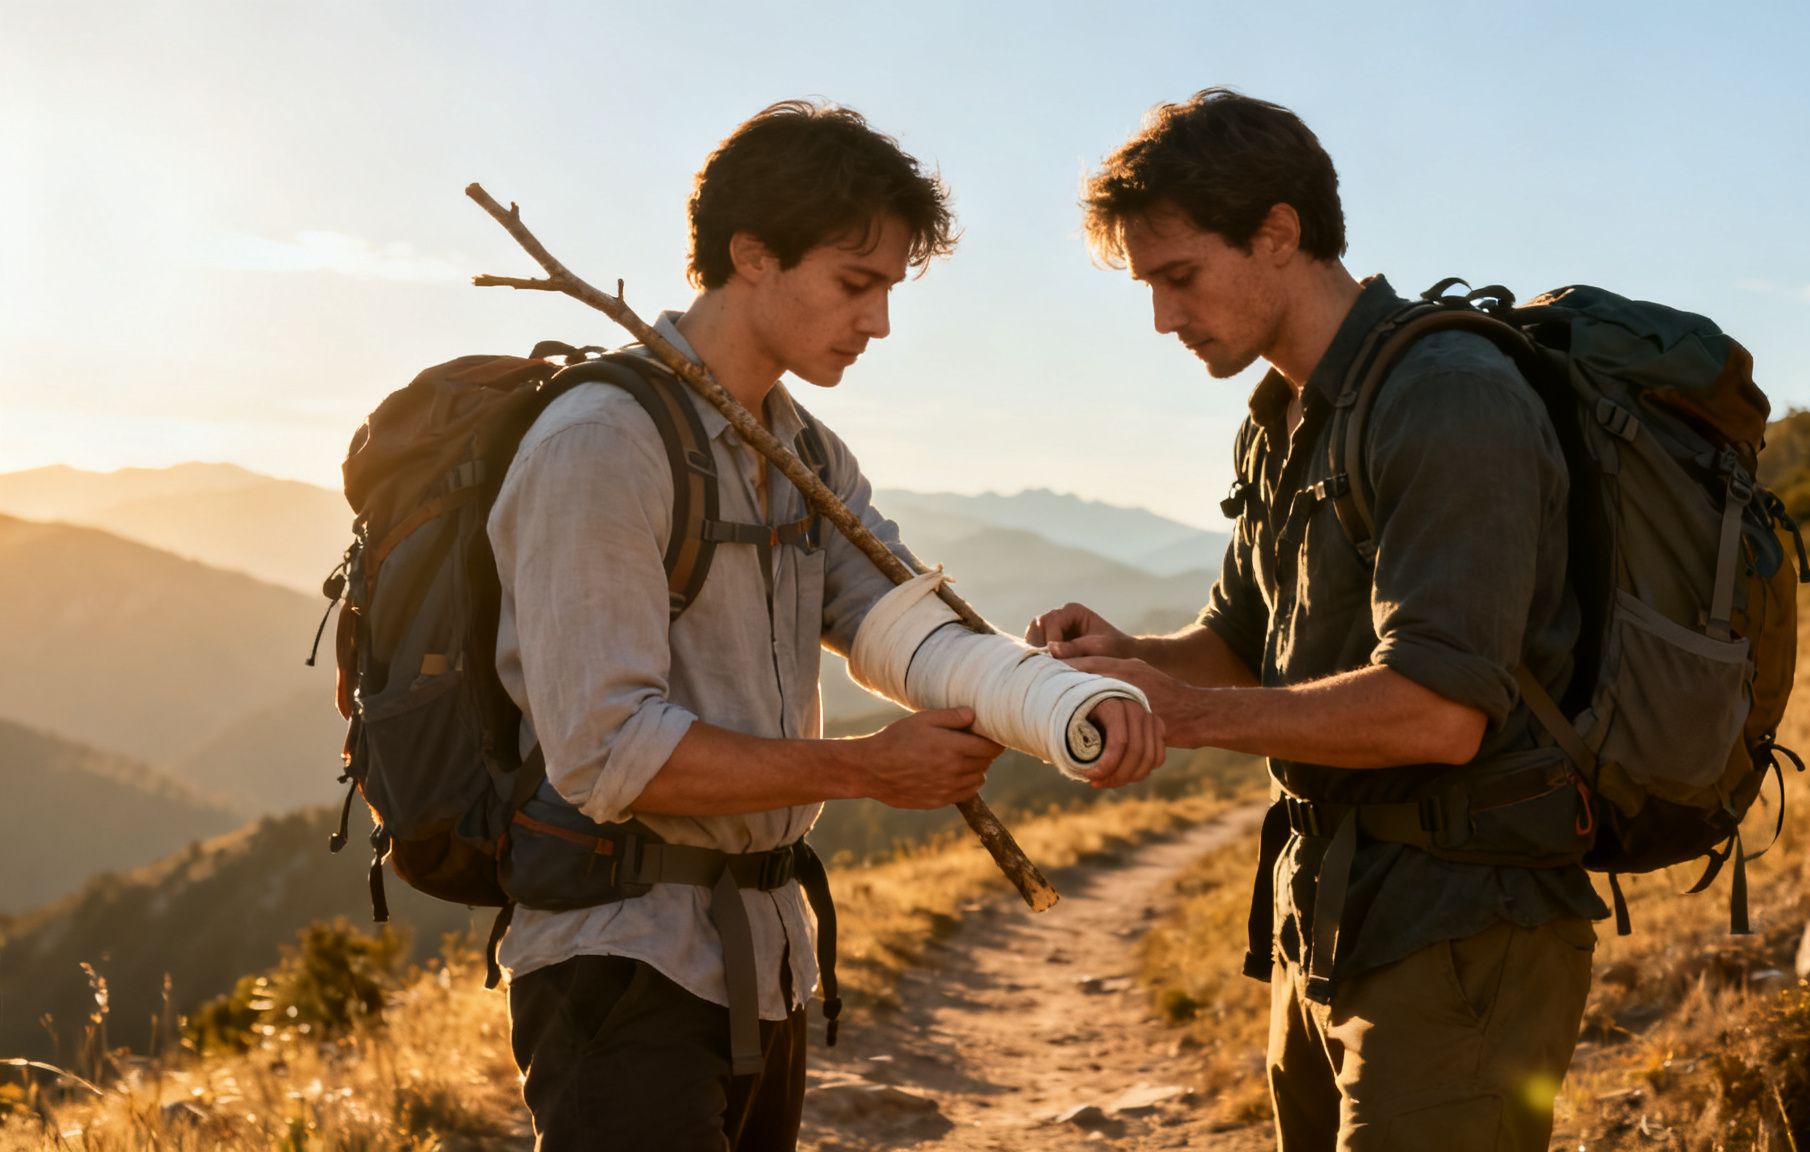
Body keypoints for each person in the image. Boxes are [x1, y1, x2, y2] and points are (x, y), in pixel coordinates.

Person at [489, 100, 1162, 1151]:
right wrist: (862, 771)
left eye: (887, 286)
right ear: (749, 255)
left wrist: (1059, 697)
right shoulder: (601, 444)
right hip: (621, 969)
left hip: (765, 961)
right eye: (857, 284)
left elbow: (901, 632)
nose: (879, 321)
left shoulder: (804, 452)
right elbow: (605, 754)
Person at [1029, 88, 1607, 1150]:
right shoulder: (1279, 415)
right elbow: (1243, 643)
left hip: (1462, 926)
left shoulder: (1446, 395)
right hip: (1324, 915)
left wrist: (1185, 714)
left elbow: (1439, 712)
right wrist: (1128, 658)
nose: (1162, 318)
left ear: (1278, 231)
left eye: (1179, 277)